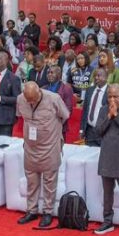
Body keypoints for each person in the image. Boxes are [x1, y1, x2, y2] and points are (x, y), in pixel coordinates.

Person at [15, 81, 71, 227]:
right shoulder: (20, 99)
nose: (31, 103)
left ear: (39, 92)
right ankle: (31, 211)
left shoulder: (54, 99)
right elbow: (20, 116)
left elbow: (65, 115)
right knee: (31, 182)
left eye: (33, 100)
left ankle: (47, 212)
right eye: (28, 100)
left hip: (50, 148)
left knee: (49, 183)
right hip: (30, 149)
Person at [90, 84, 119, 236]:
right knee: (107, 193)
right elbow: (98, 131)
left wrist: (116, 115)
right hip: (106, 156)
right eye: (109, 96)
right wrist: (109, 116)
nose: (112, 99)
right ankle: (107, 221)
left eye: (115, 96)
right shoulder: (103, 110)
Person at [42, 64, 74, 139]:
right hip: (45, 126)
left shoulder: (66, 89)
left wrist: (56, 122)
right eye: (48, 73)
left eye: (52, 72)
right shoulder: (43, 89)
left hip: (59, 126)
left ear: (59, 75)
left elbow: (68, 110)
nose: (49, 75)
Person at [81, 68, 110, 146]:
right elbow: (85, 111)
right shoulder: (89, 90)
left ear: (106, 77)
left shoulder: (110, 92)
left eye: (99, 75)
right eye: (95, 76)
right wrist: (82, 129)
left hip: (103, 132)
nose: (96, 77)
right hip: (89, 131)